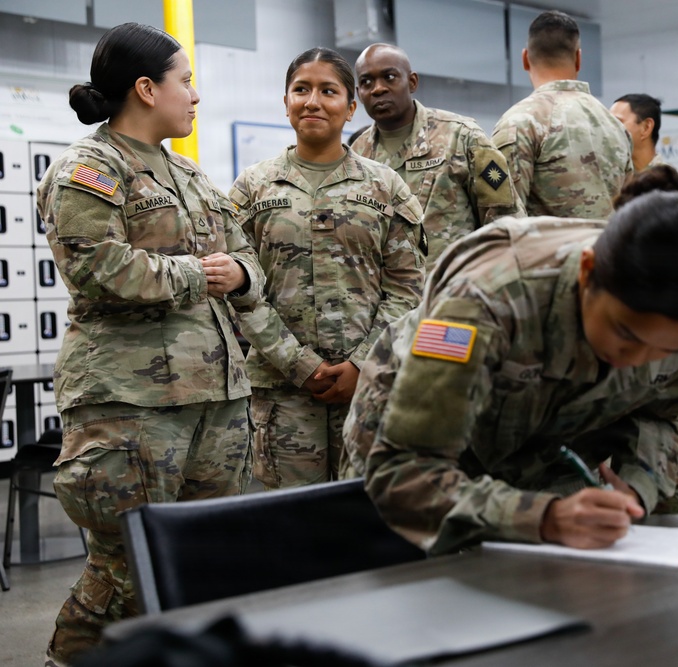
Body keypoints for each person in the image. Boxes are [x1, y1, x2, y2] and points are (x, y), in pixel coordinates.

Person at [37, 23, 265, 666]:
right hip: (130, 402)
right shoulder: (89, 169)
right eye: (185, 81)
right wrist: (203, 272)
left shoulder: (190, 175)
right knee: (127, 569)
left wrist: (241, 273)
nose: (195, 96)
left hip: (215, 396)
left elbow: (244, 259)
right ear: (146, 88)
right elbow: (99, 269)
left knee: (202, 560)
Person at [342, 191, 678, 554]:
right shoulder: (484, 301)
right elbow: (404, 472)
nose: (639, 359)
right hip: (413, 450)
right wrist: (544, 518)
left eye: (665, 351)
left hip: (546, 455)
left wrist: (635, 489)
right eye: (626, 335)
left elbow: (662, 413)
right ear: (587, 272)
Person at [229, 47, 425, 489]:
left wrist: (362, 363)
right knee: (292, 527)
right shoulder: (252, 187)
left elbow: (408, 286)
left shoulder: (385, 185)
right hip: (284, 393)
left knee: (369, 516)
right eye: (301, 90)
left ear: (351, 107)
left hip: (371, 387)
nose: (312, 101)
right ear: (285, 102)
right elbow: (239, 291)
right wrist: (299, 364)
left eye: (328, 91)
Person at [352, 43, 522, 264]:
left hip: (453, 289)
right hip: (388, 295)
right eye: (367, 82)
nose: (378, 89)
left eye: (389, 77)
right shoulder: (356, 156)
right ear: (358, 94)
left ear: (412, 82)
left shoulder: (461, 137)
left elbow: (506, 223)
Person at [492, 10, 632, 218]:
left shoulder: (519, 122)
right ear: (578, 59)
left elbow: (503, 218)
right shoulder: (615, 125)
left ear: (525, 59)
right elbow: (628, 212)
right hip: (607, 249)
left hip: (548, 251)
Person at [610, 93, 678, 198]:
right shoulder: (612, 179)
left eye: (616, 122)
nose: (608, 129)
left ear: (646, 128)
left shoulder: (673, 186)